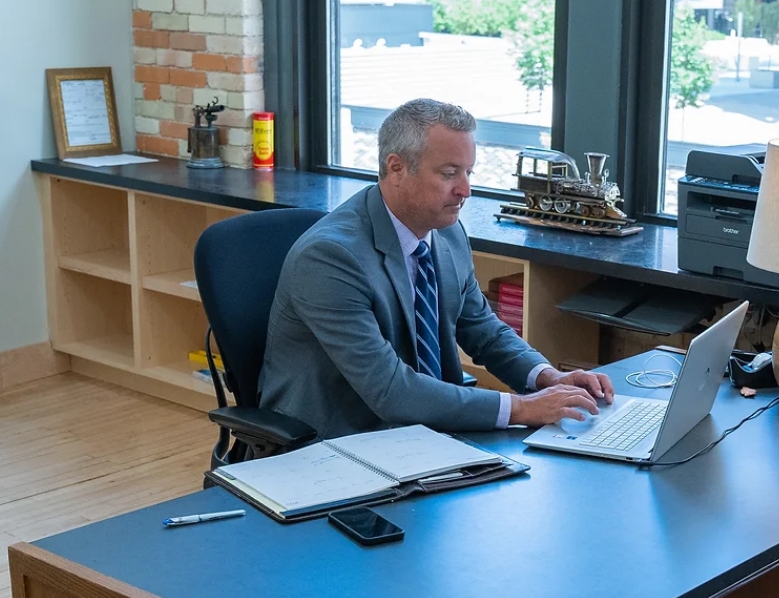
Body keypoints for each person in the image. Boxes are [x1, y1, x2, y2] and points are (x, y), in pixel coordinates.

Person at [259, 98, 614, 438]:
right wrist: (521, 407)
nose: (466, 190)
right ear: (396, 168)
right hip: (340, 443)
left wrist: (546, 377)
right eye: (449, 174)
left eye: (468, 172)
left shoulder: (447, 233)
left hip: (425, 433)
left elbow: (482, 329)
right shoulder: (329, 257)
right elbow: (390, 390)